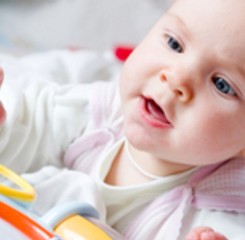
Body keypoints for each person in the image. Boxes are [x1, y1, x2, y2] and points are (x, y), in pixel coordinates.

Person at [0, 0, 244, 239]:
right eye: (174, 44)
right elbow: (29, 128)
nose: (176, 78)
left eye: (221, 84)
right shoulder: (99, 112)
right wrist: (4, 127)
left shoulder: (224, 211)